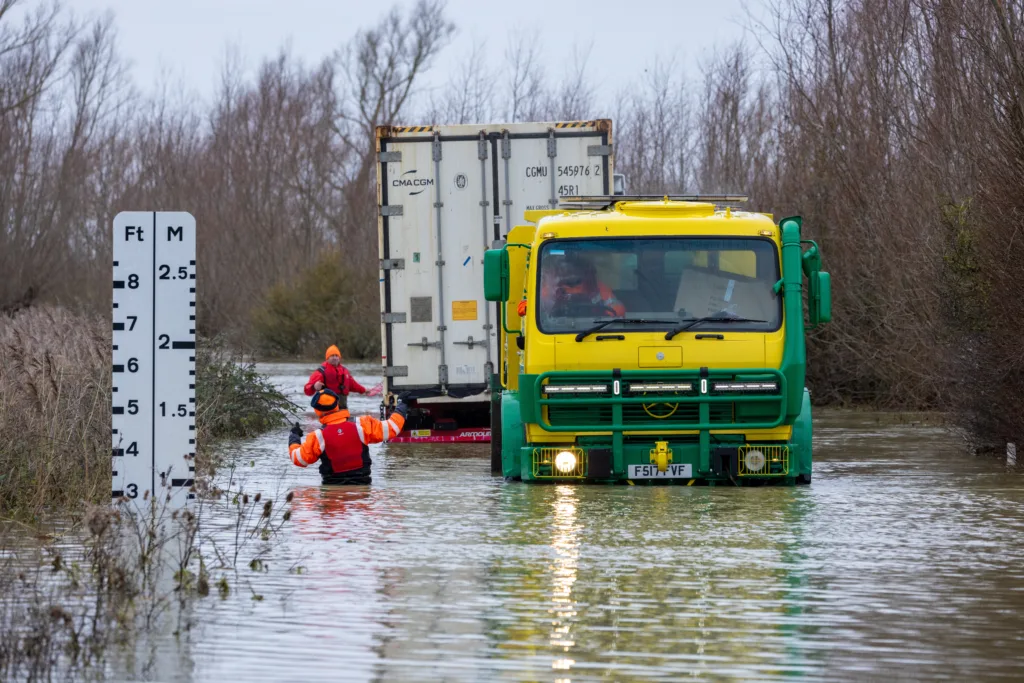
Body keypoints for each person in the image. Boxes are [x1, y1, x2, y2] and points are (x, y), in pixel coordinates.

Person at [288, 389, 408, 485]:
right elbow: (392, 427)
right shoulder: (361, 424)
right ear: (337, 404)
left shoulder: (317, 436)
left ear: (317, 411)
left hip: (332, 491)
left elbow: (299, 459)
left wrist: (294, 437)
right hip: (363, 487)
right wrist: (402, 405)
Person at [539, 255, 625, 318]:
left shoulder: (599, 287)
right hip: (560, 328)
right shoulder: (550, 289)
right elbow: (542, 314)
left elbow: (617, 310)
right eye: (566, 270)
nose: (570, 274)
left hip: (592, 326)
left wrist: (600, 309)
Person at [303, 345, 366, 409]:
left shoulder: (344, 371)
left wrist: (364, 390)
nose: (335, 358)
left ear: (339, 357)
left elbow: (353, 385)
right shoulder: (320, 372)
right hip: (327, 410)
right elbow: (306, 390)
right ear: (327, 358)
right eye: (332, 356)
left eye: (336, 356)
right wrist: (314, 386)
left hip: (342, 408)